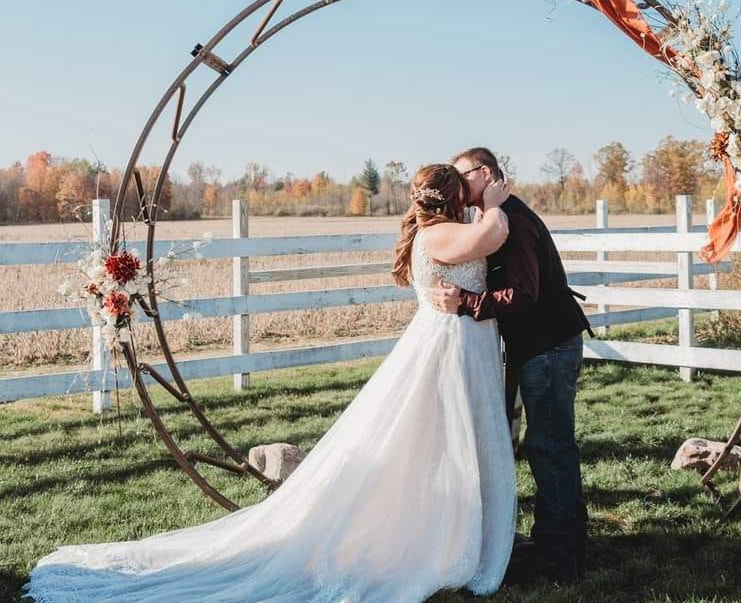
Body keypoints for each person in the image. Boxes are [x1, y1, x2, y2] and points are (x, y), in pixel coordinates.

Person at [26, 163, 518, 602]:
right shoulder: (438, 236)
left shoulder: (436, 231)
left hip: (459, 343)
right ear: (451, 198)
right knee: (444, 441)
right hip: (448, 347)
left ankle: (451, 533)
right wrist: (494, 205)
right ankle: (442, 542)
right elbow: (491, 238)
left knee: (451, 443)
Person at [430, 147, 591, 583]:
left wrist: (465, 302)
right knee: (552, 444)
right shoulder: (495, 216)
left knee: (549, 447)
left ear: (485, 174)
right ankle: (566, 544)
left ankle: (559, 557)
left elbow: (523, 294)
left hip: (548, 346)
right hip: (540, 345)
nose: (458, 188)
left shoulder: (513, 220)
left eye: (463, 178)